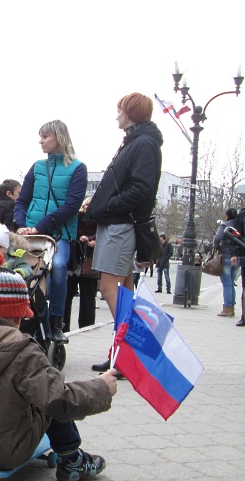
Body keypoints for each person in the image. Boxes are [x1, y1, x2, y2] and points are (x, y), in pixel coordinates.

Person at [0, 249, 118, 481]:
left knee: (31, 388)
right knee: (51, 395)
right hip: (6, 451)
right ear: (16, 316)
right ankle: (72, 460)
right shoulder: (22, 350)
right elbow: (61, 401)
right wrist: (101, 388)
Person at [86, 93, 162, 373]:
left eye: (120, 110)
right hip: (119, 223)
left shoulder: (142, 143)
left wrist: (109, 206)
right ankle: (124, 355)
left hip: (121, 224)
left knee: (108, 288)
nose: (116, 115)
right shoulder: (139, 141)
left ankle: (134, 353)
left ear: (130, 113)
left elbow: (142, 188)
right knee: (125, 291)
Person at [14, 120, 87, 345]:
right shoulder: (37, 167)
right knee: (20, 270)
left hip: (59, 234)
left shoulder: (77, 168)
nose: (41, 141)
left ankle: (57, 322)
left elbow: (73, 204)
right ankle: (21, 317)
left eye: (45, 136)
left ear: (59, 137)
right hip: (31, 232)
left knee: (59, 267)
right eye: (41, 136)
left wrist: (41, 226)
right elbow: (22, 200)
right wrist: (20, 224)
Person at [63, 197, 99, 331]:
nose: (87, 208)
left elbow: (103, 236)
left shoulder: (99, 221)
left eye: (90, 206)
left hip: (90, 263)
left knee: (88, 298)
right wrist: (80, 238)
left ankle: (86, 328)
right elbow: (69, 233)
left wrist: (95, 242)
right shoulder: (76, 218)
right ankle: (63, 327)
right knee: (67, 295)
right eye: (86, 205)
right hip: (73, 261)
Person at [214, 209, 237, 317]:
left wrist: (218, 247)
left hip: (226, 256)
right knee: (231, 283)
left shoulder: (225, 226)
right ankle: (232, 306)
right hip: (237, 257)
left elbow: (217, 238)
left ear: (227, 216)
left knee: (227, 284)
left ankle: (227, 308)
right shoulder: (239, 225)